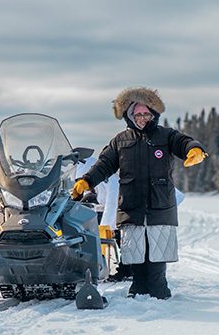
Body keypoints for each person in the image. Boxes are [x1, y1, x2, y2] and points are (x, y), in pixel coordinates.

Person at [71, 87, 207, 299]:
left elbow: (184, 142)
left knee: (157, 251)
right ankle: (139, 287)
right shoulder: (121, 140)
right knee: (134, 251)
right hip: (131, 205)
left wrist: (194, 149)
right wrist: (85, 182)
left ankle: (159, 288)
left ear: (153, 114)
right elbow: (104, 164)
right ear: (129, 116)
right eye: (138, 114)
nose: (142, 118)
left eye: (146, 114)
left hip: (160, 204)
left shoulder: (166, 135)